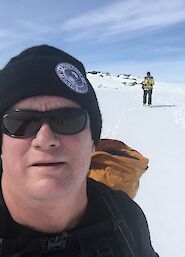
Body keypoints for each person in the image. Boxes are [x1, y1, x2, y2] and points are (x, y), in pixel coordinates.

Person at [0, 45, 158, 257]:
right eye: (20, 123)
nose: (45, 140)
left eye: (68, 120)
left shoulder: (126, 217)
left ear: (93, 141)